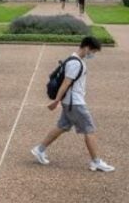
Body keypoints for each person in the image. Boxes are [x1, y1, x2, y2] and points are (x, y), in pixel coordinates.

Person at [31, 36, 114, 172]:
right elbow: (66, 83)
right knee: (89, 129)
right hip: (74, 103)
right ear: (87, 47)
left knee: (62, 126)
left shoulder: (73, 59)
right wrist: (56, 101)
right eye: (93, 51)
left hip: (71, 102)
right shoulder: (76, 63)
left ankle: (39, 149)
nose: (92, 54)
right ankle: (96, 162)